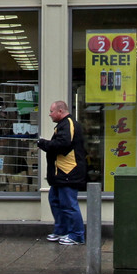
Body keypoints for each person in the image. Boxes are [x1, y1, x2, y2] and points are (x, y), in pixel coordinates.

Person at [36, 101, 87, 245]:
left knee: (69, 205)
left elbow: (62, 145)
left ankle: (76, 235)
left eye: (51, 111)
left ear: (60, 111)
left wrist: (43, 143)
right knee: (55, 201)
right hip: (61, 173)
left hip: (68, 173)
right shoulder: (63, 125)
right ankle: (62, 231)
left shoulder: (68, 123)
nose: (49, 114)